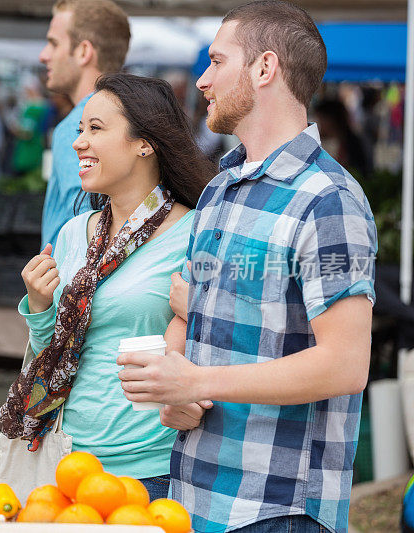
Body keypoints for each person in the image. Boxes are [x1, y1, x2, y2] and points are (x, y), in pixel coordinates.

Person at [117, 2, 377, 532]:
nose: (204, 79)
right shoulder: (220, 186)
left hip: (278, 508)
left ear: (264, 68)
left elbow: (346, 364)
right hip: (192, 496)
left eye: (217, 61)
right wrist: (175, 387)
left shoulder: (329, 200)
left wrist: (197, 381)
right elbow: (187, 314)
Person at [0, 73, 212, 499]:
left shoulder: (195, 233)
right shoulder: (76, 232)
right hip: (66, 463)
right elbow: (53, 352)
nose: (79, 143)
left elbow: (215, 347)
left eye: (96, 129)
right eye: (80, 130)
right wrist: (39, 306)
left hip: (148, 474)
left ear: (144, 142)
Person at [39, 0, 130, 249]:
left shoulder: (75, 129)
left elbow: (82, 223)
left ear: (83, 52)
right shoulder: (131, 120)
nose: (43, 55)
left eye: (54, 43)